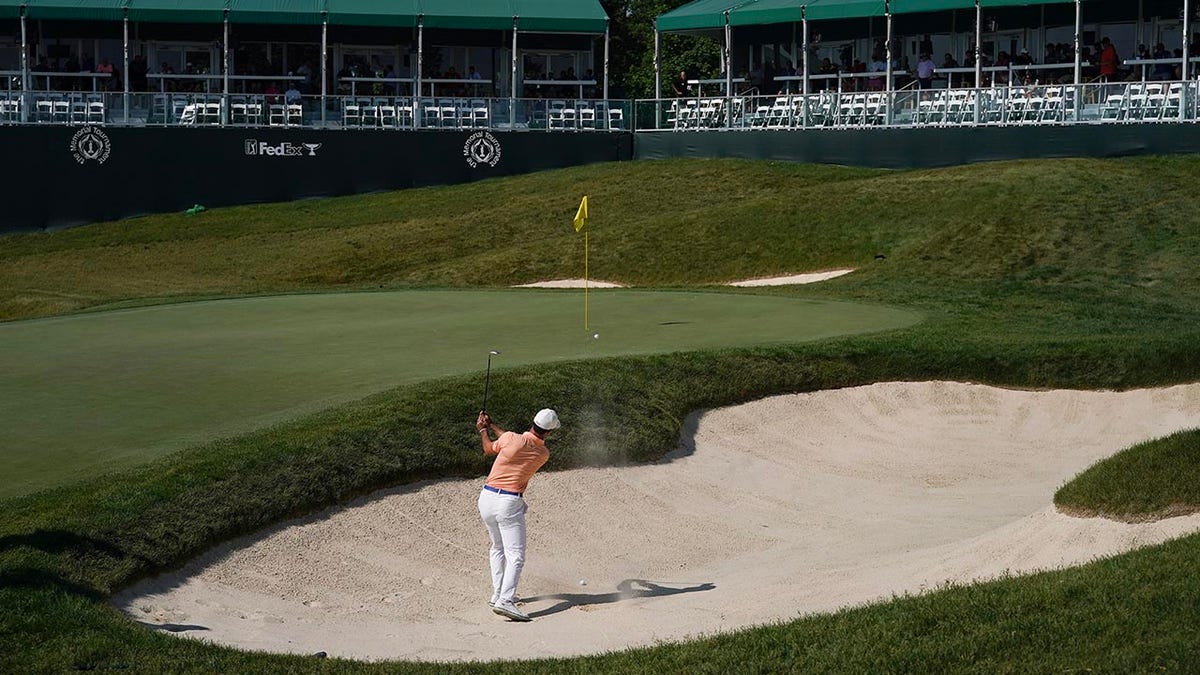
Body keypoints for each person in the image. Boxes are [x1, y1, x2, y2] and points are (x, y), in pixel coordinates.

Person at [475, 407, 560, 622]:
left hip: (486, 498)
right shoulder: (543, 454)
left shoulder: (511, 438)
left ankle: (497, 595)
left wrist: (483, 430)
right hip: (509, 503)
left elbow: (490, 448)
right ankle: (506, 600)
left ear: (532, 423)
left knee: (498, 548)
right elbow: (512, 441)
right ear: (548, 433)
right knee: (516, 555)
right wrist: (491, 425)